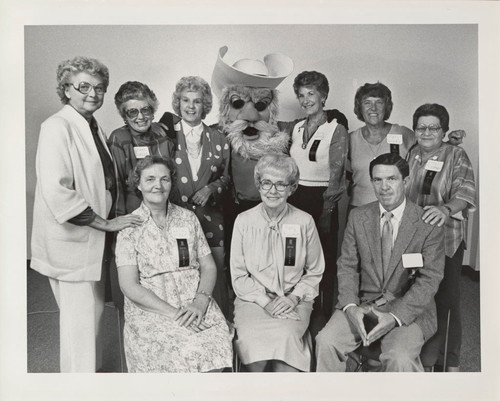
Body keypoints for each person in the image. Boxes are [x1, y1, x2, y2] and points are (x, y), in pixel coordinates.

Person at [30, 56, 143, 372]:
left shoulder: (91, 124)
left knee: (89, 320)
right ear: (66, 90)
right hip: (72, 242)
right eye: (83, 87)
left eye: (99, 88)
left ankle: (83, 382)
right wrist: (105, 223)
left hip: (92, 242)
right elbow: (58, 191)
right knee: (80, 328)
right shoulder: (56, 127)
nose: (93, 94)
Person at [315, 153, 445, 372]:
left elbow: (429, 281)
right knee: (325, 341)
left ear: (405, 181)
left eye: (391, 179)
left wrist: (395, 317)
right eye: (377, 180)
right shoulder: (358, 217)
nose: (384, 187)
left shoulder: (427, 223)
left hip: (407, 309)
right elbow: (347, 266)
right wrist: (350, 306)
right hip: (362, 303)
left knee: (399, 358)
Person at [115, 156, 233, 373]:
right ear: (138, 184)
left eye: (164, 179)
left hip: (194, 302)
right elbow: (128, 286)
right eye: (150, 179)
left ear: (171, 183)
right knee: (183, 349)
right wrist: (173, 314)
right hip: (153, 309)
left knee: (215, 340)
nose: (157, 186)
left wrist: (199, 303)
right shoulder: (129, 227)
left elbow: (208, 267)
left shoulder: (188, 219)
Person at [231, 154, 325, 372]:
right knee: (253, 352)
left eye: (281, 184)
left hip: (294, 300)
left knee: (286, 352)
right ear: (258, 185)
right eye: (266, 183)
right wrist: (265, 302)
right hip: (253, 300)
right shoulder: (243, 221)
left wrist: (293, 297)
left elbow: (315, 271)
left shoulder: (305, 221)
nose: (273, 191)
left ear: (291, 188)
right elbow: (238, 275)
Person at [406, 103, 476, 372]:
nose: (426, 132)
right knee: (419, 299)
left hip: (446, 241)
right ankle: (420, 359)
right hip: (415, 241)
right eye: (421, 127)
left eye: (433, 127)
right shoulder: (412, 154)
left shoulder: (456, 154)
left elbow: (466, 192)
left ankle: (449, 363)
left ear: (444, 130)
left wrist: (445, 209)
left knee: (446, 301)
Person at [159, 76, 231, 319]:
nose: (190, 106)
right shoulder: (166, 135)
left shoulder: (219, 137)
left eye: (197, 101)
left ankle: (220, 326)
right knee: (182, 273)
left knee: (216, 272)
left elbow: (228, 178)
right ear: (177, 103)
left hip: (211, 217)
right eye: (185, 100)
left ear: (205, 105)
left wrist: (211, 189)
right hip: (176, 218)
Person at [286, 70, 349, 320]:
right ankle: (301, 306)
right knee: (297, 256)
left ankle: (324, 312)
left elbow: (337, 174)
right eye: (301, 95)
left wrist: (328, 210)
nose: (305, 100)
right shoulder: (297, 127)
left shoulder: (336, 129)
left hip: (323, 200)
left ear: (323, 96)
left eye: (311, 94)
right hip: (295, 197)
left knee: (323, 257)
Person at [108, 81, 175, 216]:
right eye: (132, 112)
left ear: (153, 111)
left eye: (145, 110)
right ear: (125, 116)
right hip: (133, 215)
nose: (140, 117)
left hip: (165, 213)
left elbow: (173, 182)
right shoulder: (119, 139)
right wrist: (119, 223)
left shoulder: (163, 136)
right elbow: (117, 187)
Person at [348, 82, 415, 210]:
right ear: (360, 107)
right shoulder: (350, 139)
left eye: (379, 102)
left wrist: (450, 144)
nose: (373, 108)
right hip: (359, 208)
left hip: (396, 209)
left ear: (386, 107)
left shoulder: (404, 134)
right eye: (367, 103)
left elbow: (429, 150)